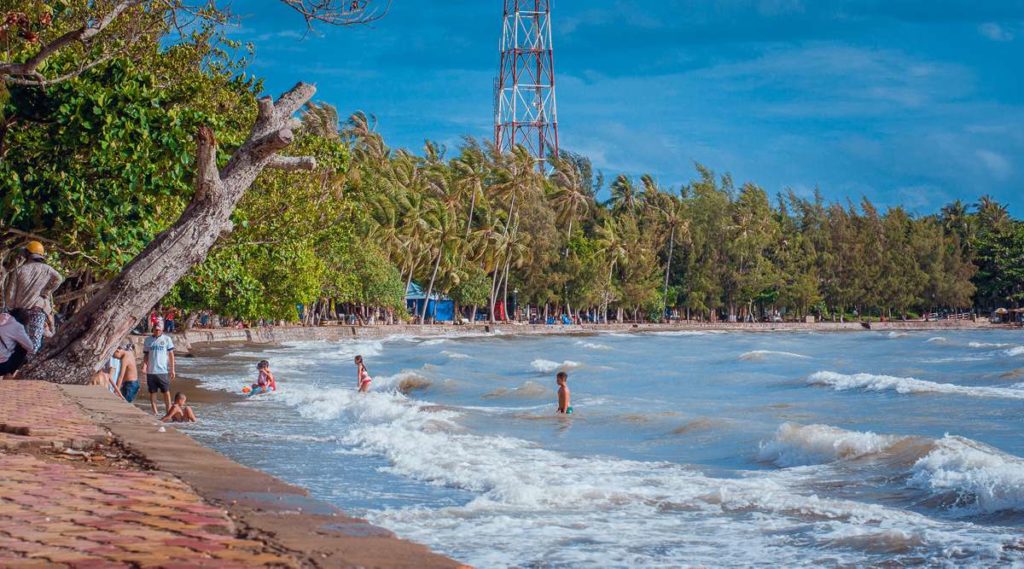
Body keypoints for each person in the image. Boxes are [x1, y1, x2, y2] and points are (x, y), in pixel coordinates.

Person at [4, 241, 63, 352]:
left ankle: (17, 366)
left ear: (27, 254)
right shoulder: (48, 269)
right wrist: (47, 291)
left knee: (17, 342)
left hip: (20, 312)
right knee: (34, 343)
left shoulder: (20, 270)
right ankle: (30, 365)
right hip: (38, 310)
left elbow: (10, 294)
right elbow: (59, 278)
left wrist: (10, 308)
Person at [142, 322, 175, 415]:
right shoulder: (148, 340)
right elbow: (146, 354)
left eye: (159, 330)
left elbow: (171, 355)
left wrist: (172, 369)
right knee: (153, 392)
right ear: (153, 329)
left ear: (162, 330)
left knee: (166, 391)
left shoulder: (167, 339)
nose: (157, 331)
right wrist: (144, 365)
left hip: (162, 370)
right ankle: (155, 412)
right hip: (151, 371)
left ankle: (168, 411)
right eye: (155, 329)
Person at [0, 312, 34, 377]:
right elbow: (30, 347)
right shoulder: (17, 326)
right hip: (2, 367)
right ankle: (9, 374)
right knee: (22, 349)